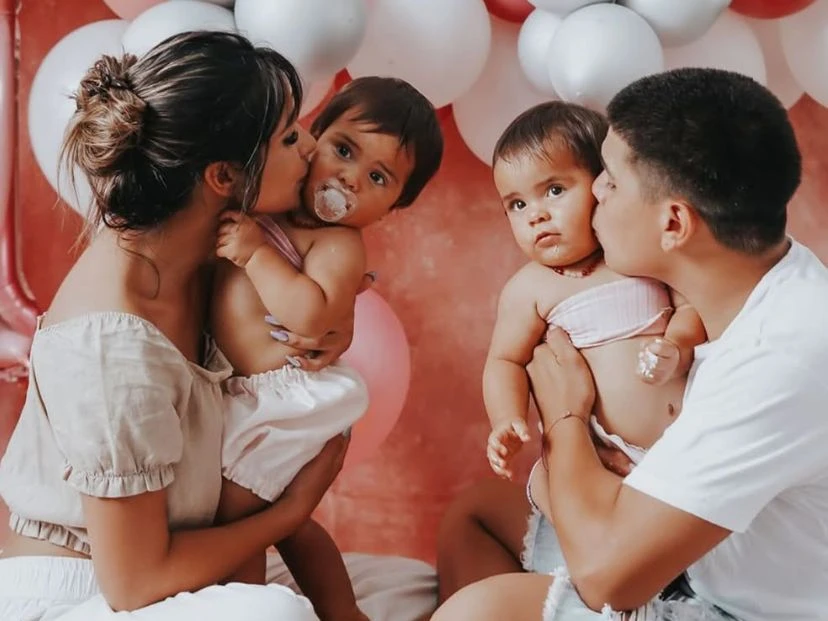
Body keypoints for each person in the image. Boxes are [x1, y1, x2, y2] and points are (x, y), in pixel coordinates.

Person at [435, 67, 828, 620]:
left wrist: (564, 417)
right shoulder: (764, 278)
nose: (594, 190)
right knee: (474, 513)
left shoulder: (778, 358)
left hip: (731, 605)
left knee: (476, 612)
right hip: (695, 546)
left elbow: (609, 581)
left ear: (674, 224)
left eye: (612, 182)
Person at [0, 31, 355, 620]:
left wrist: (330, 317)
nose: (312, 147)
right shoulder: (111, 345)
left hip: (161, 573)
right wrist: (289, 515)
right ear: (223, 177)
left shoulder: (193, 252)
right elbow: (135, 585)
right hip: (78, 591)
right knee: (275, 613)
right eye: (290, 136)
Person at [210, 76, 443, 620]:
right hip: (249, 397)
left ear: (391, 207)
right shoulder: (272, 206)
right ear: (311, 139)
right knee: (287, 526)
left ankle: (245, 605)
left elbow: (313, 316)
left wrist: (255, 254)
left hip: (283, 402)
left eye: (378, 177)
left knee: (237, 519)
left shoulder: (338, 243)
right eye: (343, 150)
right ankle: (343, 612)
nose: (350, 177)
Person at [482, 101, 705, 502]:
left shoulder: (638, 256)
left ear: (603, 185)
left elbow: (689, 307)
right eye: (517, 204)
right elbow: (504, 361)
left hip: (687, 454)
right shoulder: (530, 288)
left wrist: (676, 344)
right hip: (602, 465)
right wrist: (506, 418)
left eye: (554, 190)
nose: (536, 215)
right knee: (560, 503)